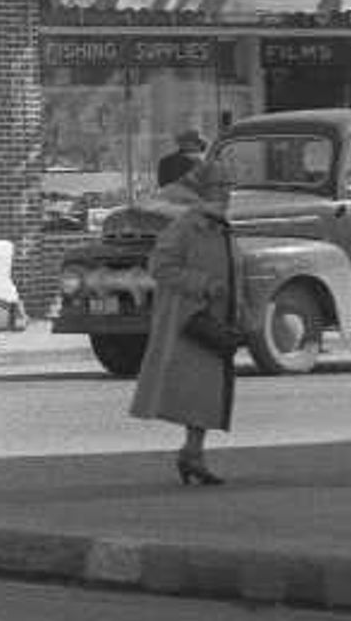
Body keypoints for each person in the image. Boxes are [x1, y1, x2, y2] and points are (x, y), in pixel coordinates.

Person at [133, 148, 238, 485]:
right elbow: (160, 266)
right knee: (198, 394)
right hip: (191, 324)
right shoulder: (187, 227)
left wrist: (245, 315)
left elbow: (237, 273)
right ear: (204, 190)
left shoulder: (220, 226)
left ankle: (193, 453)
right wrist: (204, 285)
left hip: (214, 323)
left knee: (206, 395)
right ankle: (192, 454)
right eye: (219, 185)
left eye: (228, 185)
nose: (226, 191)